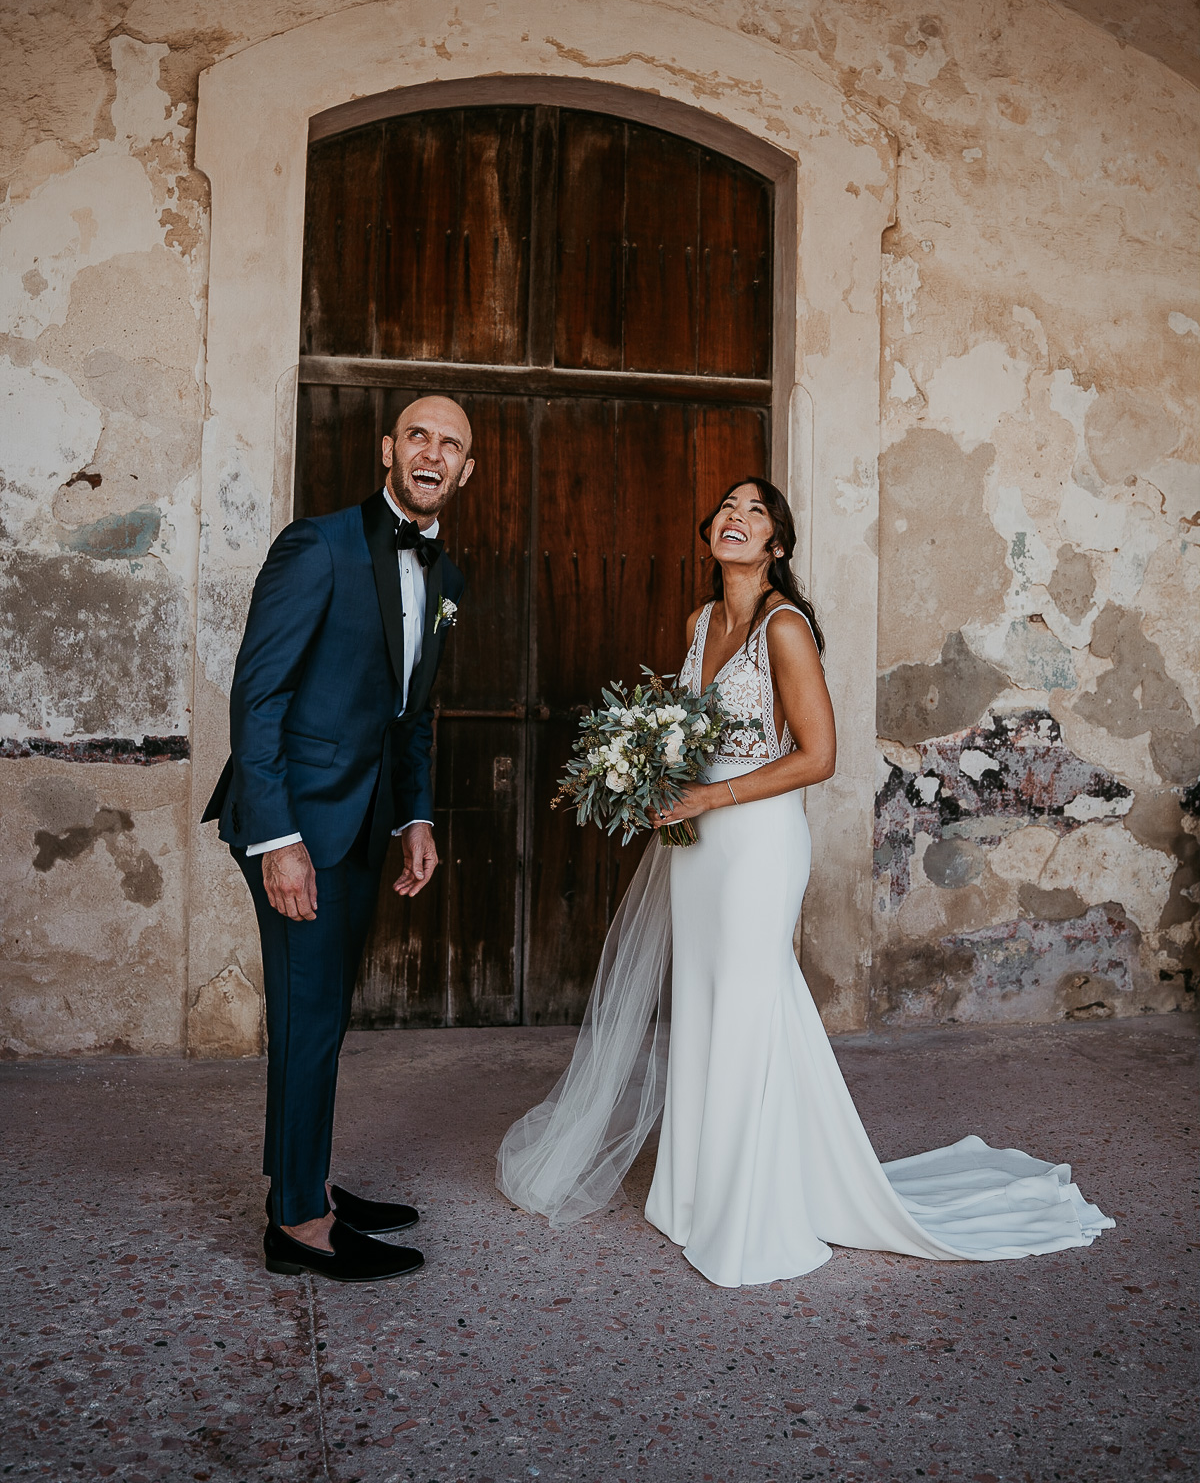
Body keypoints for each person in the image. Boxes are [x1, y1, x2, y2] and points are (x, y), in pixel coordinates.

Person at [497, 477, 1113, 1287]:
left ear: (777, 547)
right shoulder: (698, 624)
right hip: (697, 842)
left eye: (756, 513)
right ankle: (696, 1192)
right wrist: (647, 778)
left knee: (749, 997)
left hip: (755, 840)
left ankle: (751, 1208)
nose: (736, 518)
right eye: (727, 508)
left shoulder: (783, 627)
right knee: (709, 998)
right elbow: (688, 737)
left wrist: (710, 792)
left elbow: (817, 757)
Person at [204, 396, 472, 1281]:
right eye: (420, 435)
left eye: (452, 445)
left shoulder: (444, 575)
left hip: (362, 822)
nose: (433, 452)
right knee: (309, 1018)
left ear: (464, 472)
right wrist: (277, 839)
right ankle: (299, 1228)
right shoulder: (315, 546)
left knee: (321, 1017)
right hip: (295, 823)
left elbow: (412, 716)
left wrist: (415, 814)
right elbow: (260, 696)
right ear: (389, 448)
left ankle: (302, 1182)